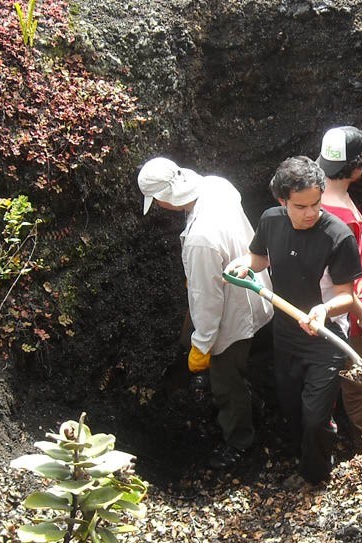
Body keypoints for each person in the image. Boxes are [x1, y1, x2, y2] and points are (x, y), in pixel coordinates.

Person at [227, 156, 362, 485]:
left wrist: (324, 310)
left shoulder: (337, 235)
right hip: (285, 332)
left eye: (316, 203)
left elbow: (347, 295)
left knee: (315, 415)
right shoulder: (271, 220)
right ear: (282, 200)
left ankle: (317, 474)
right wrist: (245, 264)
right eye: (300, 206)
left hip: (325, 337)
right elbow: (259, 258)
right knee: (291, 406)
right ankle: (302, 455)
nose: (310, 212)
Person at [137, 157, 273, 469]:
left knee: (227, 383)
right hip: (258, 290)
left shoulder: (200, 241)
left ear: (164, 198)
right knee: (246, 359)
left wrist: (201, 346)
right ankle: (254, 397)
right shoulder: (216, 185)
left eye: (156, 201)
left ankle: (240, 443)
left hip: (233, 316)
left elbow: (207, 302)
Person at [317, 125, 362, 444]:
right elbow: (345, 286)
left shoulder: (314, 195)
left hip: (317, 305)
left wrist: (358, 245)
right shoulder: (343, 218)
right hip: (342, 314)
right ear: (356, 168)